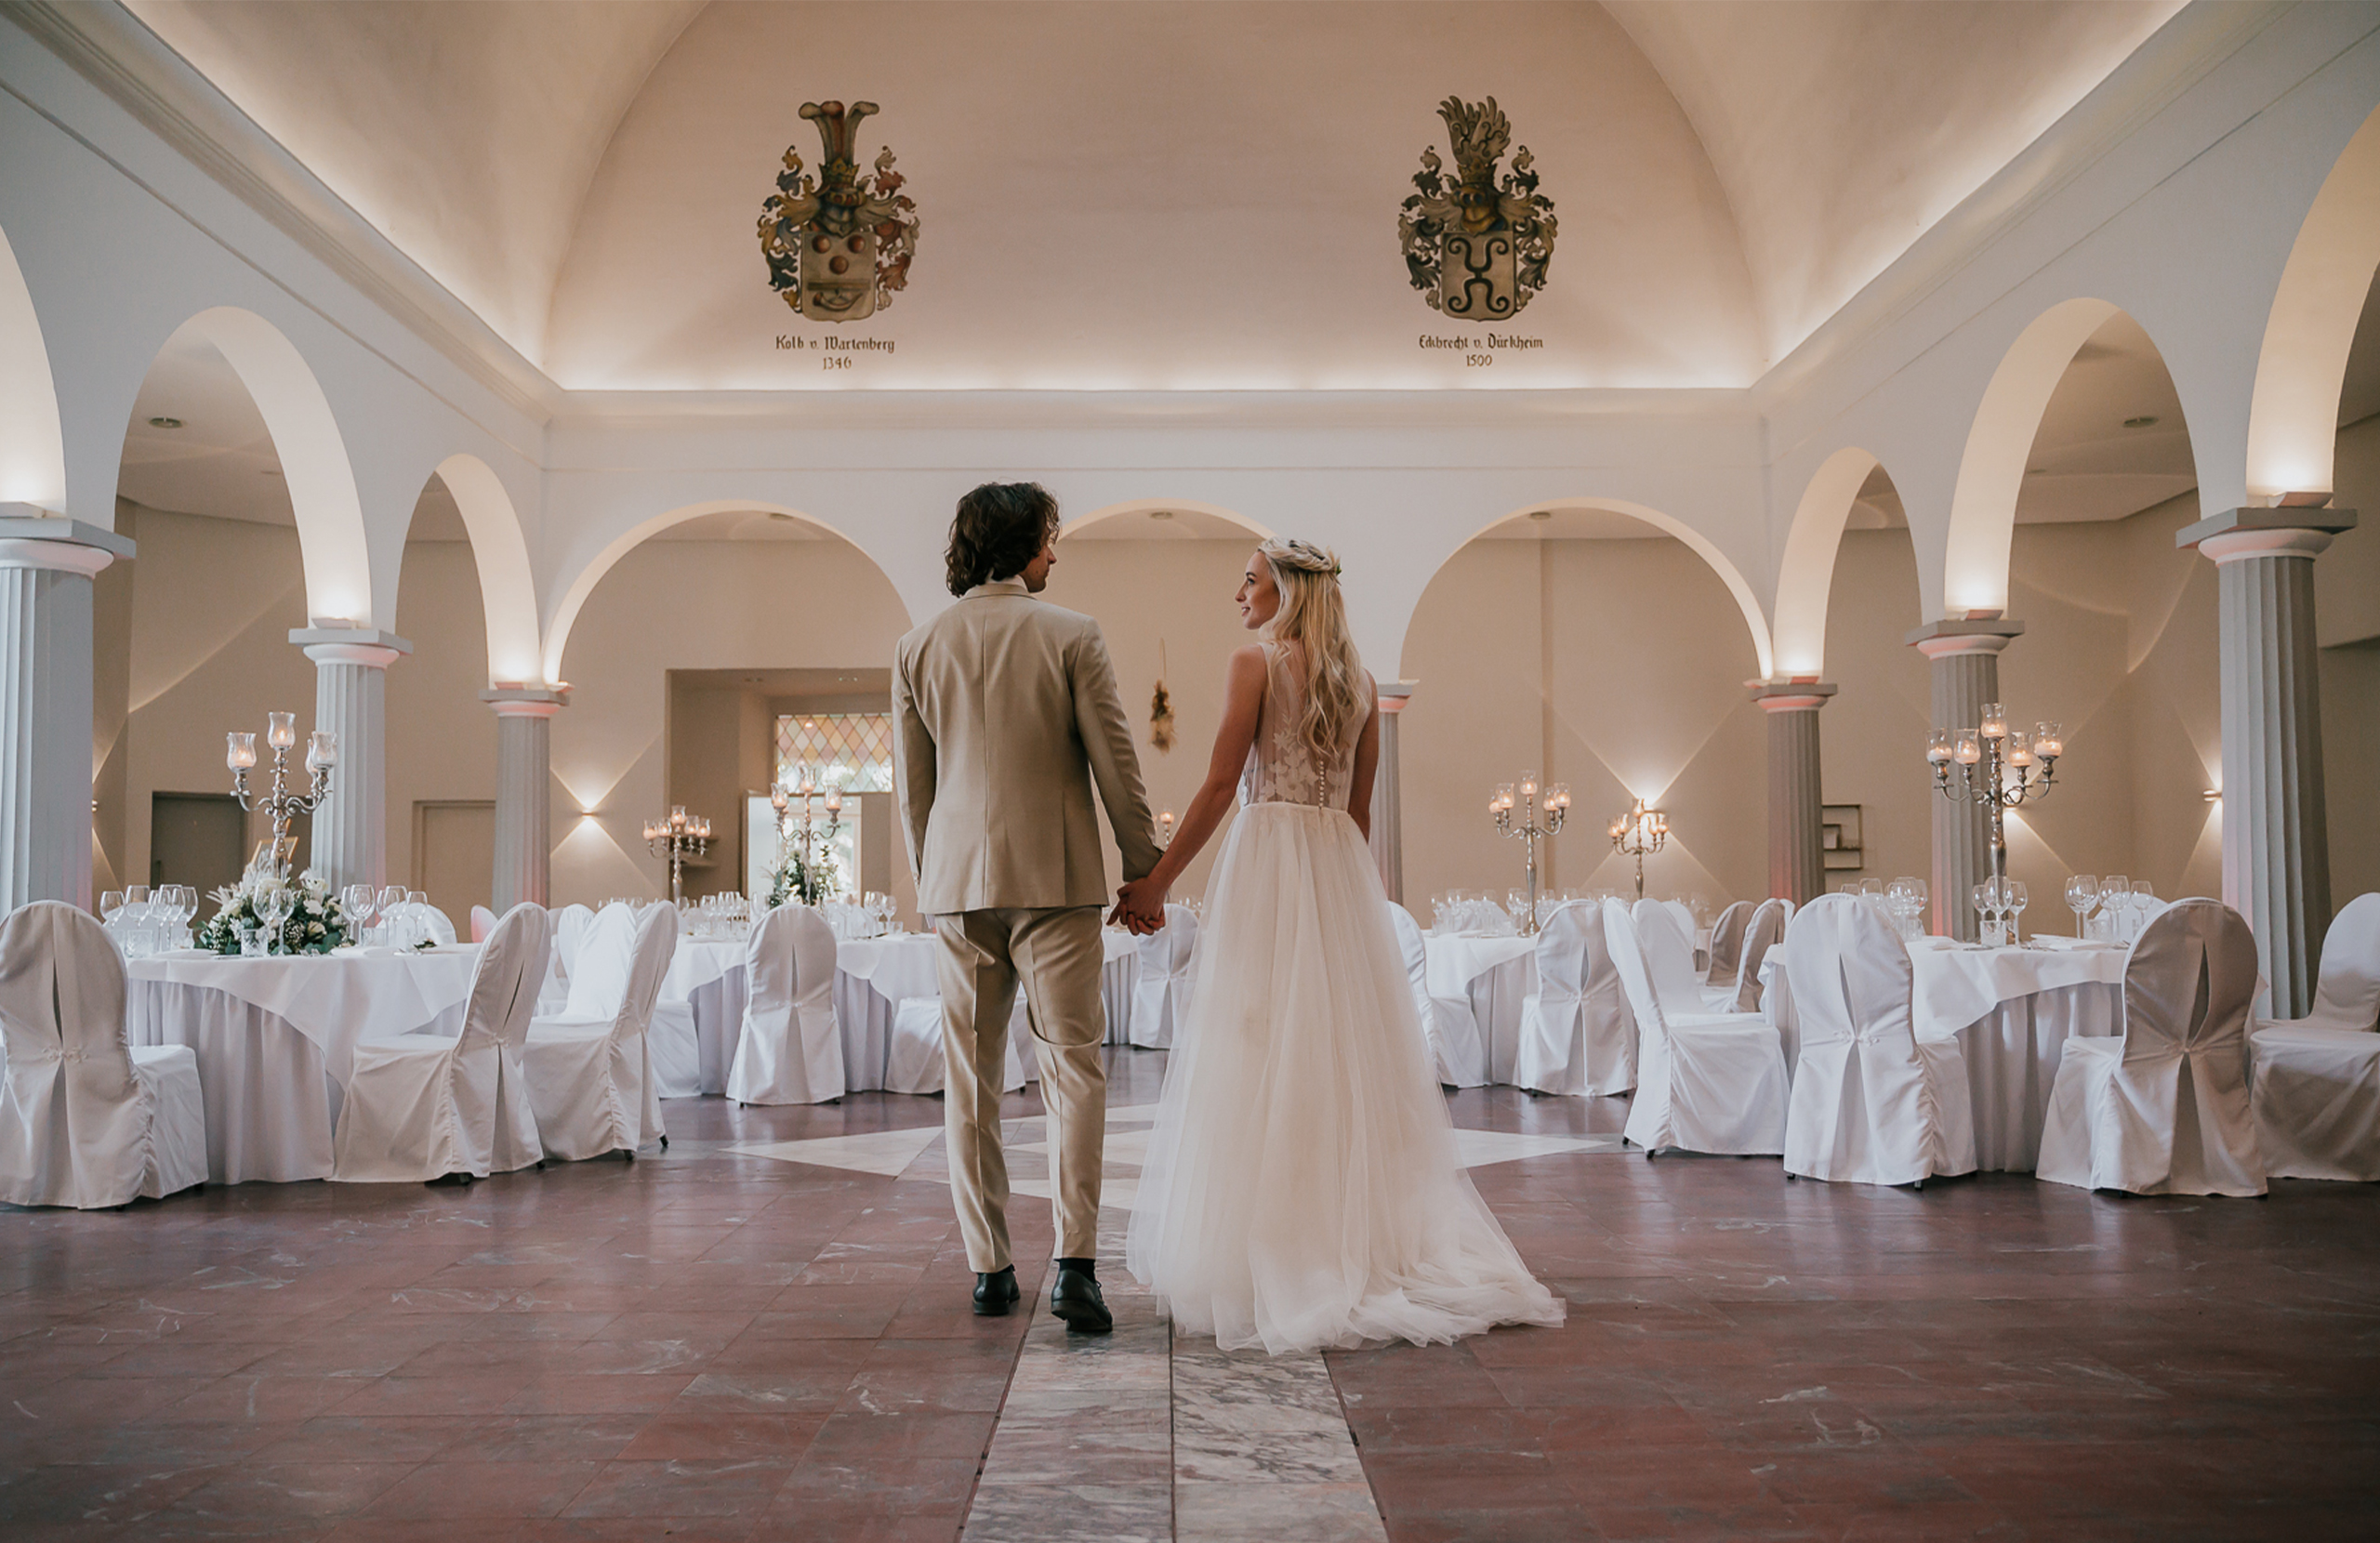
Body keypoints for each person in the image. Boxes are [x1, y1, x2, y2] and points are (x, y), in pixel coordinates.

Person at [1117, 538, 1565, 1353]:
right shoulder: (1357, 683)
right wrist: (1349, 903)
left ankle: (1274, 1247)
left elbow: (1222, 785)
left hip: (1268, 864)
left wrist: (1159, 882)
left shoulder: (1253, 664)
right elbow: (1359, 817)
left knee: (1254, 1044)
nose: (1239, 594)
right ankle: (1345, 1237)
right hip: (1335, 872)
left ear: (1285, 590)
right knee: (1336, 1056)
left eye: (1249, 581)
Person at [892, 482, 1167, 1334]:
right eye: (1051, 539)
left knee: (971, 1081)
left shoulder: (917, 646)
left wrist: (934, 882)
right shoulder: (1071, 634)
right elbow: (1116, 762)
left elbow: (917, 792)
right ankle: (1077, 1266)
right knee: (1074, 1068)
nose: (1057, 554)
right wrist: (1143, 868)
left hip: (958, 892)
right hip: (1056, 885)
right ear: (1023, 545)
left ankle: (990, 1270)